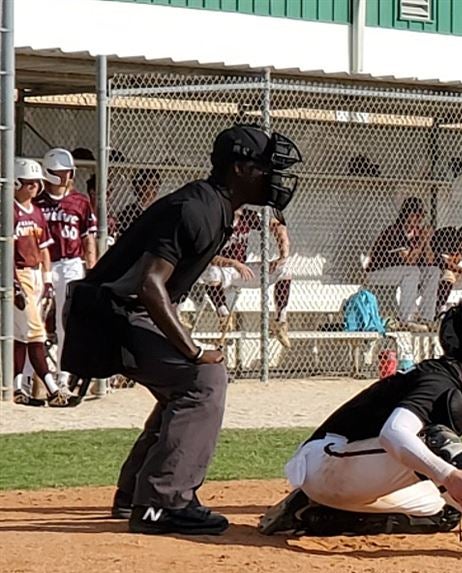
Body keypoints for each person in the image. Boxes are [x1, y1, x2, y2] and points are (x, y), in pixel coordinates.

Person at [60, 124, 302, 534]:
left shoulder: (215, 206)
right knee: (203, 378)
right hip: (109, 315)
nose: (276, 178)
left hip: (115, 310)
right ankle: (162, 505)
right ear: (240, 169)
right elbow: (149, 284)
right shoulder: (198, 208)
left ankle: (137, 492)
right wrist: (191, 349)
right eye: (266, 168)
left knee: (184, 385)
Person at [257, 299, 462, 559]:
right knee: (434, 441)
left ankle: (312, 515)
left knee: (448, 511)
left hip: (346, 476)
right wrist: (448, 475)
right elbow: (394, 433)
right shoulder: (438, 378)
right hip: (330, 460)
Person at [35, 148, 98, 393]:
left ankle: (64, 376)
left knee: (66, 323)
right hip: (43, 265)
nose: (66, 176)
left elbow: (88, 238)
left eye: (67, 172)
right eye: (60, 172)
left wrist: (91, 269)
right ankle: (33, 379)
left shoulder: (80, 201)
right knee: (36, 323)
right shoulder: (38, 201)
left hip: (71, 264)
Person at [12, 158, 72, 407]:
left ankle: (17, 388)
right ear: (16, 183)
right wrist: (13, 282)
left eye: (36, 184)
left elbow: (45, 249)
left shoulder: (35, 212)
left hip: (37, 274)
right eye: (28, 184)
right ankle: (52, 389)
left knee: (21, 336)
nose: (34, 189)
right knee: (36, 333)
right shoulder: (10, 211)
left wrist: (47, 280)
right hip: (20, 273)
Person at [197, 206, 293, 347]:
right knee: (211, 271)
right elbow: (208, 257)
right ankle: (223, 315)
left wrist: (283, 254)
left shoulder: (247, 216)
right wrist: (234, 263)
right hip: (221, 268)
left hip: (240, 270)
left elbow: (278, 225)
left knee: (285, 270)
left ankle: (280, 321)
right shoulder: (215, 217)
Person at [366, 197, 440, 331]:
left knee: (434, 272)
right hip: (378, 272)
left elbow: (430, 261)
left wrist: (427, 242)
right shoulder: (395, 232)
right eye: (416, 215)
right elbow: (409, 260)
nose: (420, 219)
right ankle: (406, 319)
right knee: (412, 272)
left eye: (422, 215)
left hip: (401, 272)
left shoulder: (416, 234)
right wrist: (422, 240)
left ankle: (427, 318)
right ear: (408, 214)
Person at [111, 168, 162, 239]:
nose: (155, 189)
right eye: (152, 184)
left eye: (157, 185)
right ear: (141, 186)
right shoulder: (129, 212)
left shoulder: (158, 209)